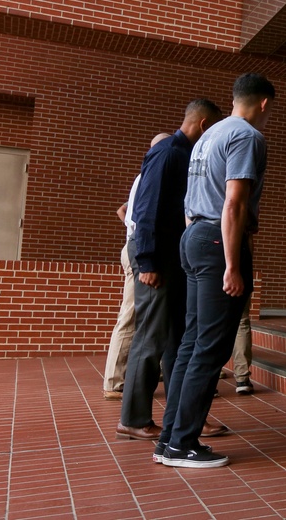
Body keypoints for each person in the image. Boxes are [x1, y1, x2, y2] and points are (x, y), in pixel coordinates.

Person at [158, 73, 274, 468]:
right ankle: (181, 445)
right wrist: (232, 264)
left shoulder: (209, 135)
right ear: (263, 104)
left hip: (192, 237)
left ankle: (169, 439)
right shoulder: (246, 136)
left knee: (193, 342)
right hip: (215, 242)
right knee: (211, 347)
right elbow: (234, 204)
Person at [116, 100, 224, 441]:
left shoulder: (185, 155)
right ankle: (133, 420)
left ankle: (183, 415)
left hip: (174, 259)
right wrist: (146, 261)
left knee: (177, 339)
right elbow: (145, 208)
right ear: (204, 125)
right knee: (151, 338)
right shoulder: (167, 152)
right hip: (156, 259)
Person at [103, 133, 170, 400]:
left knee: (140, 315)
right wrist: (133, 233)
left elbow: (124, 209)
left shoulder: (144, 174)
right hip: (138, 250)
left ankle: (144, 373)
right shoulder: (152, 174)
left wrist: (129, 226)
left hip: (133, 245)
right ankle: (115, 381)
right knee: (130, 314)